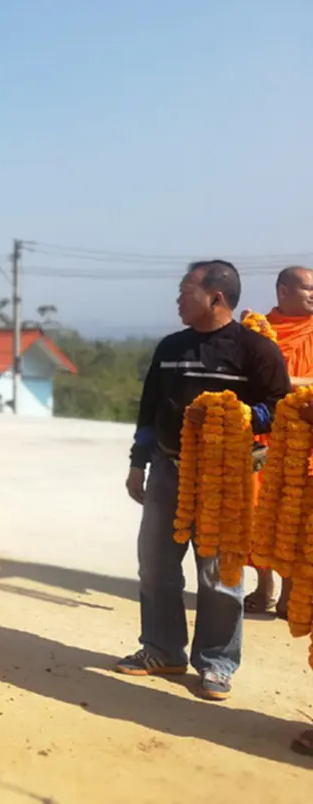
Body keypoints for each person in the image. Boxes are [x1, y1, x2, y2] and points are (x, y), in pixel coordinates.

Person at [120, 260, 290, 701]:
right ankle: (162, 650)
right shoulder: (170, 347)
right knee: (155, 565)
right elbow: (149, 410)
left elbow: (280, 405)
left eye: (186, 290)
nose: (178, 298)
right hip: (169, 469)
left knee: (219, 575)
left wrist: (242, 415)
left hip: (225, 478)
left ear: (216, 296)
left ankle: (216, 664)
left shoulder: (255, 350)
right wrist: (139, 462)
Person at [245, 266, 313, 617]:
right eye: (308, 288)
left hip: (305, 435)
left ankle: (290, 594)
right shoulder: (259, 331)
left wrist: (288, 381)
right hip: (264, 434)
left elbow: (279, 381)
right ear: (283, 290)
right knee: (259, 511)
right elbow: (248, 377)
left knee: (296, 515)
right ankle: (264, 586)